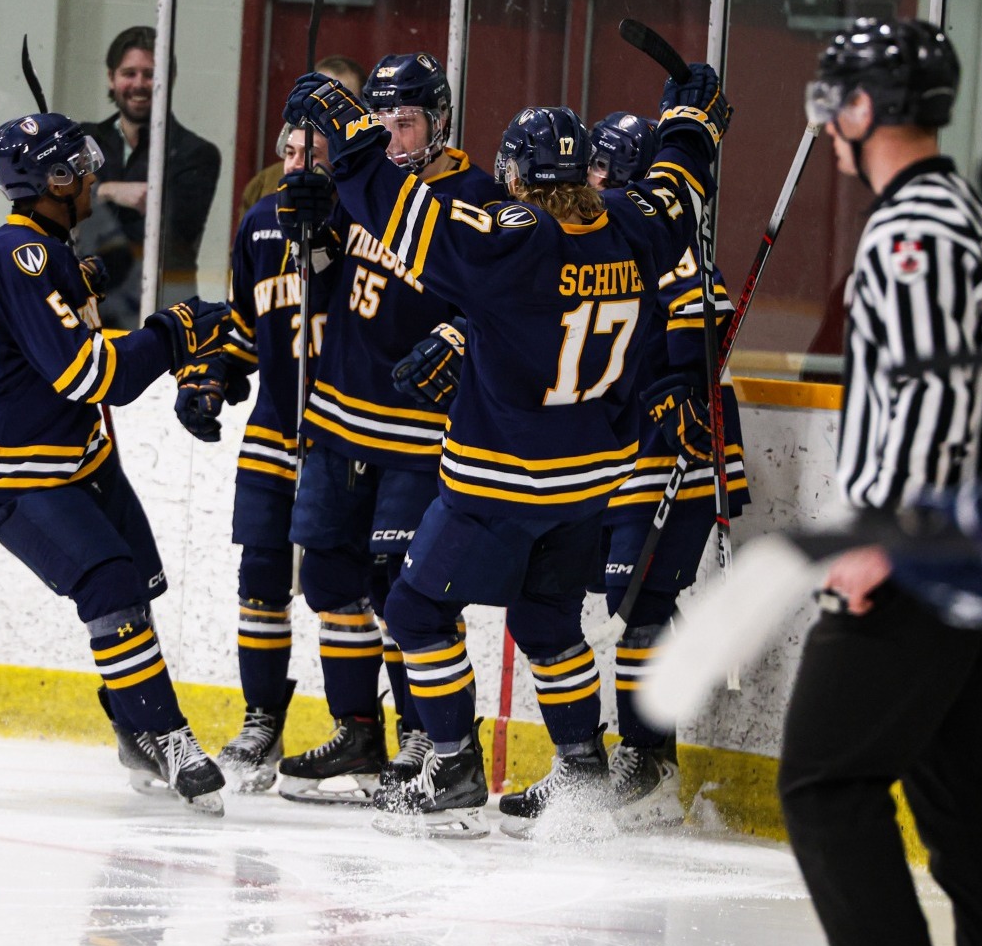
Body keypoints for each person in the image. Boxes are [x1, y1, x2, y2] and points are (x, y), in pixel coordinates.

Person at [283, 63, 729, 838]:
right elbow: (681, 180)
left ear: (518, 172)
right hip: (592, 479)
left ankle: (452, 766)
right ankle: (582, 768)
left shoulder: (515, 242)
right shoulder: (637, 224)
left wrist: (350, 135)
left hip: (499, 479)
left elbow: (397, 211)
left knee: (418, 608)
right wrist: (692, 119)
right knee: (547, 615)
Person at [775, 17, 982, 946]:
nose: (827, 124)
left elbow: (934, 389)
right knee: (969, 808)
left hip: (925, 564)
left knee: (823, 783)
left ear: (864, 109)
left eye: (834, 99)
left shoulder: (909, 229)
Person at [0, 110, 232, 814]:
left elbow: (46, 317)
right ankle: (166, 735)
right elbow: (91, 376)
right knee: (109, 585)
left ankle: (134, 725)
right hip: (18, 474)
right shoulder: (21, 257)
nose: (95, 173)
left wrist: (84, 280)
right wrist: (173, 331)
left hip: (76, 452)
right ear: (52, 181)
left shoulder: (41, 248)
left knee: (139, 580)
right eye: (80, 165)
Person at [269, 52, 503, 805]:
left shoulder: (475, 197)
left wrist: (462, 335)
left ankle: (425, 738)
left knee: (405, 589)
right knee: (331, 582)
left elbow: (504, 306)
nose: (394, 138)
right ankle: (358, 731)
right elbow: (320, 273)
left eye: (407, 122)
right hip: (339, 417)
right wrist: (305, 225)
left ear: (440, 122)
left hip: (419, 434)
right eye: (383, 124)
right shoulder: (359, 183)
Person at [586, 112, 750, 830]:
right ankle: (646, 758)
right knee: (630, 603)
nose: (586, 182)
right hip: (628, 451)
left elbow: (704, 315)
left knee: (640, 602)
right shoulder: (606, 246)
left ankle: (647, 759)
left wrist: (681, 391)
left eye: (596, 169)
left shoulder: (668, 249)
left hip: (676, 446)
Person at [170, 123, 334, 790]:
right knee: (261, 579)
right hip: (272, 427)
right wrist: (209, 377)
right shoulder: (260, 224)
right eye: (288, 153)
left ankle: (386, 734)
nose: (294, 165)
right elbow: (244, 327)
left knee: (347, 586)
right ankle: (262, 722)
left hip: (346, 432)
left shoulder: (361, 223)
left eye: (311, 156)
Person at [82, 26, 223, 325]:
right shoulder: (81, 141)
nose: (139, 84)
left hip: (163, 313)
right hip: (88, 308)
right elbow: (52, 207)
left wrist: (90, 200)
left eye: (150, 74)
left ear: (169, 79)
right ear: (111, 78)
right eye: (129, 73)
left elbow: (177, 230)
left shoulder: (197, 153)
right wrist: (108, 191)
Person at [236, 55, 366, 217]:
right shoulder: (265, 183)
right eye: (319, 98)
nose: (325, 111)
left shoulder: (368, 184)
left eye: (340, 104)